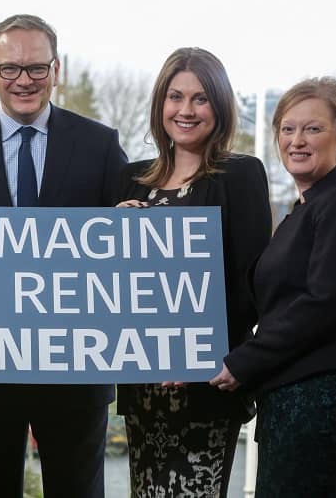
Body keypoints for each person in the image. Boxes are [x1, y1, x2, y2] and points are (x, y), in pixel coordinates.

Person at [0, 14, 127, 498]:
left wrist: (132, 224)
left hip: (76, 369)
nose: (24, 80)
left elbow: (127, 248)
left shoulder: (100, 145)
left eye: (37, 68)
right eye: (11, 68)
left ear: (56, 70)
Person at [211, 77, 336, 496]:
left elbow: (321, 304)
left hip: (322, 401)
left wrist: (243, 363)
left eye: (312, 128)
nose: (297, 140)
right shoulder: (305, 208)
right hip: (291, 398)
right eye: (287, 129)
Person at [116, 47, 272, 497]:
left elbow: (250, 282)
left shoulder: (241, 174)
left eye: (200, 98)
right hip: (143, 384)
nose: (186, 110)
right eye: (175, 96)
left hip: (206, 382)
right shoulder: (130, 180)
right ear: (159, 104)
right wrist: (111, 229)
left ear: (219, 106)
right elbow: (110, 282)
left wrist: (198, 354)